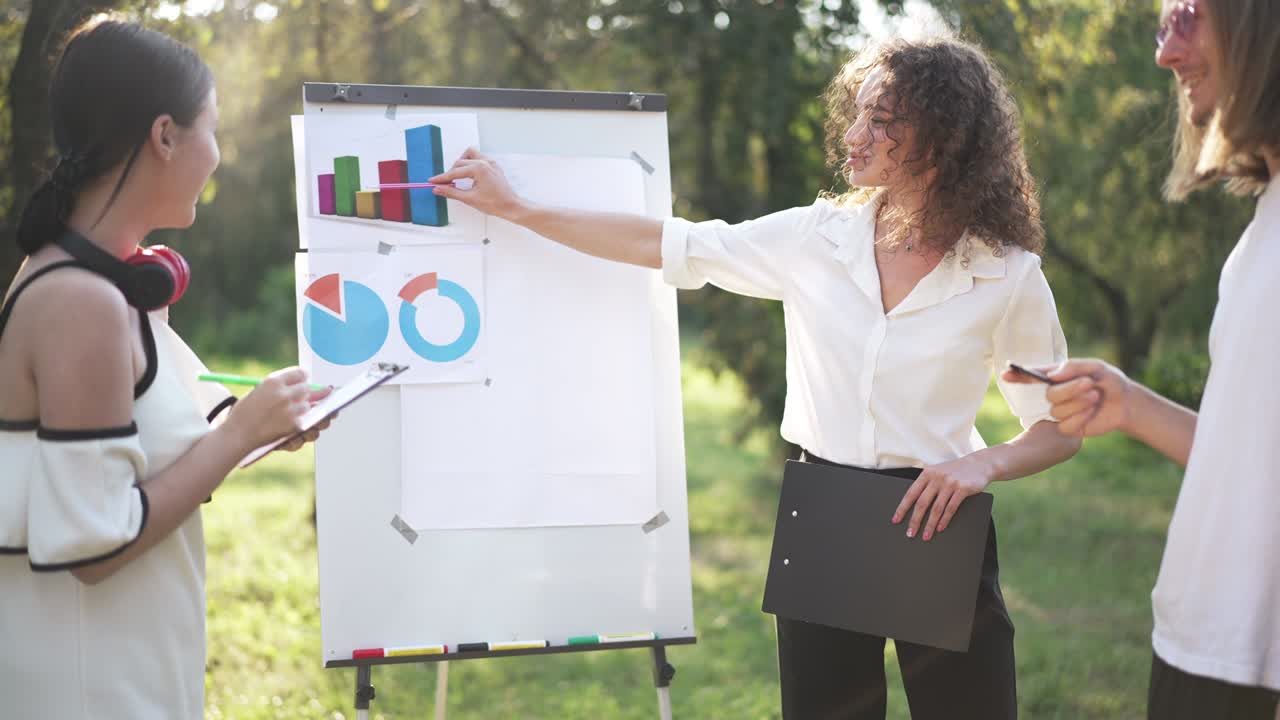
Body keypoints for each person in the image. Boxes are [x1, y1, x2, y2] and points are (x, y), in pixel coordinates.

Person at [433, 35, 1080, 719]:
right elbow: (666, 241)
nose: (853, 135)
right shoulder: (813, 239)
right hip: (824, 517)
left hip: (938, 519)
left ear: (942, 138)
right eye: (858, 114)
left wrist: (982, 465)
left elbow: (1060, 427)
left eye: (881, 120)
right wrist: (518, 209)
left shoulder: (1007, 275)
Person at [0, 19, 328, 718]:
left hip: (126, 674)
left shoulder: (110, 283)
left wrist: (260, 429)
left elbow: (159, 460)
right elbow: (94, 545)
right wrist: (240, 435)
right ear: (165, 136)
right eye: (213, 128)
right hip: (89, 694)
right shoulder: (80, 301)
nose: (218, 153)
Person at [1003, 1, 1280, 717]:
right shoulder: (1261, 230)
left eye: (1186, 17)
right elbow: (1249, 463)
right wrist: (1129, 406)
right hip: (1202, 638)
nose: (1165, 53)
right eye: (1162, 26)